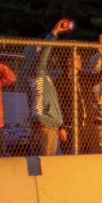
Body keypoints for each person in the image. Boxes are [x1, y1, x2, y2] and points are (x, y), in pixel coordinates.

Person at [24, 18, 74, 156]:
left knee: (52, 163)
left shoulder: (44, 75)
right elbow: (43, 56)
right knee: (44, 162)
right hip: (44, 124)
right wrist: (54, 32)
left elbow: (53, 103)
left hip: (52, 125)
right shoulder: (35, 71)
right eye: (38, 49)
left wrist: (60, 125)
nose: (40, 50)